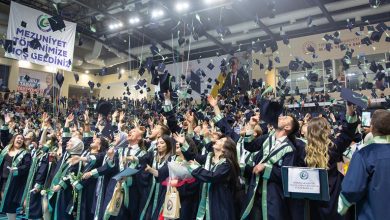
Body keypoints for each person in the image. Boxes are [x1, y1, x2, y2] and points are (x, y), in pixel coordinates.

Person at [302, 103, 358, 220]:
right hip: (335, 195)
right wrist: (350, 112)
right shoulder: (334, 147)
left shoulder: (303, 151)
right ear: (326, 130)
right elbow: (349, 131)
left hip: (314, 197)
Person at [338, 109, 390, 220]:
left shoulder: (364, 154)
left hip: (373, 215)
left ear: (372, 128)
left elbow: (352, 189)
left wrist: (341, 208)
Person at [0, 134, 32, 220]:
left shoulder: (25, 153)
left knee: (9, 204)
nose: (20, 140)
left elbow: (27, 165)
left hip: (14, 182)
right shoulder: (6, 149)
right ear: (14, 139)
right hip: (2, 179)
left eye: (22, 139)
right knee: (5, 203)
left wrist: (17, 169)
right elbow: (3, 136)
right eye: (18, 138)